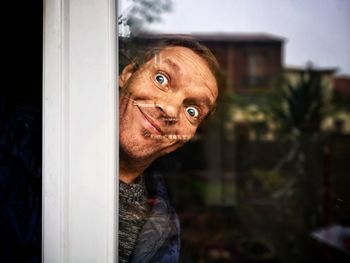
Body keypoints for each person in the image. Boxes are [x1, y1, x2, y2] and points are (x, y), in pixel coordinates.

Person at [118, 36, 220, 263]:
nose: (171, 110)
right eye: (161, 78)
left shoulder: (166, 229)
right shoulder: (29, 146)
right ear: (127, 74)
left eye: (192, 111)